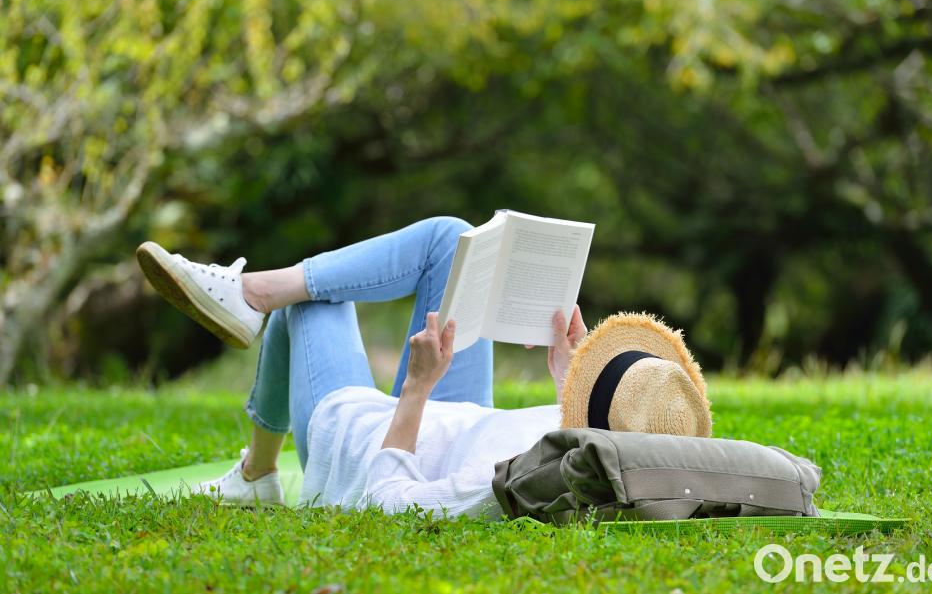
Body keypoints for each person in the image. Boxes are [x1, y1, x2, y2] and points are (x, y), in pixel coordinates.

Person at [137, 216, 712, 518]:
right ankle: (255, 466)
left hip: (365, 442)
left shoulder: (515, 483)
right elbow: (578, 443)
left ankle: (253, 302)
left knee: (312, 301)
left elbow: (389, 502)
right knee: (449, 239)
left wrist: (416, 388)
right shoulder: (616, 451)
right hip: (459, 419)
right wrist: (569, 381)